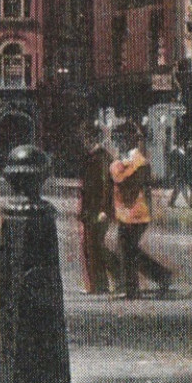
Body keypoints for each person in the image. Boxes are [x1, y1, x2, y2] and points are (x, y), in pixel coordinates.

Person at [109, 123, 173, 299]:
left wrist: (116, 166)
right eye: (117, 139)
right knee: (129, 249)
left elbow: (121, 179)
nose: (118, 143)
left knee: (126, 249)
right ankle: (162, 276)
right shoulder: (128, 160)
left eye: (121, 139)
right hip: (128, 213)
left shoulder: (138, 162)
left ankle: (131, 290)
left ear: (130, 140)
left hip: (136, 213)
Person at [78, 125, 118, 295]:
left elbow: (106, 186)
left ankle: (103, 283)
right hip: (90, 208)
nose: (84, 142)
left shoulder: (101, 158)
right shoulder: (93, 157)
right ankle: (97, 284)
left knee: (94, 246)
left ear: (92, 139)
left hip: (97, 209)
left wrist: (104, 209)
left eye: (86, 138)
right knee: (91, 246)